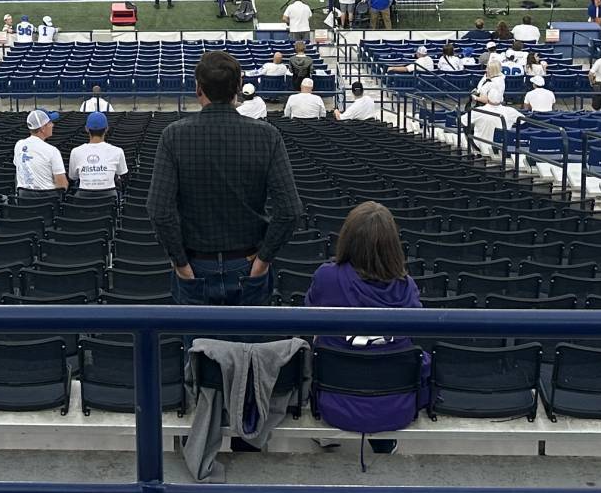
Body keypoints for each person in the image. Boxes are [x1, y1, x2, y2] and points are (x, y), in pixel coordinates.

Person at [149, 49, 300, 306]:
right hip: (246, 264)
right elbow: (290, 210)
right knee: (248, 345)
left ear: (198, 88)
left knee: (198, 345)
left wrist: (181, 264)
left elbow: (158, 209)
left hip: (198, 266)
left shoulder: (174, 136)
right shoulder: (267, 135)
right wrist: (262, 262)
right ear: (238, 88)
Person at [304, 201, 424, 452]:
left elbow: (310, 314)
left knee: (319, 335)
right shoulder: (407, 287)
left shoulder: (327, 277)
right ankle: (383, 439)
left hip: (334, 404)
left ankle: (328, 434)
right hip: (396, 407)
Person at [13, 109, 67, 195]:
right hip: (48, 203)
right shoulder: (52, 151)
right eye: (50, 123)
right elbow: (62, 185)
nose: (52, 125)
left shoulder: (18, 145)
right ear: (42, 128)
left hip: (23, 201)